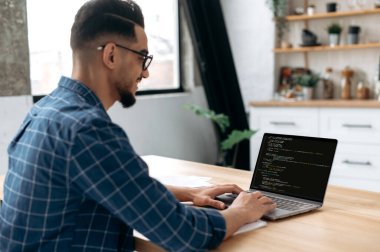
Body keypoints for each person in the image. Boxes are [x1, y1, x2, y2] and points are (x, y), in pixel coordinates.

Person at [0, 0, 276, 251]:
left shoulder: (45, 111)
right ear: (110, 55)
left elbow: (112, 186)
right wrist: (240, 211)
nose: (145, 72)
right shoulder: (87, 129)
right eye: (142, 57)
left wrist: (189, 193)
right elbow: (183, 234)